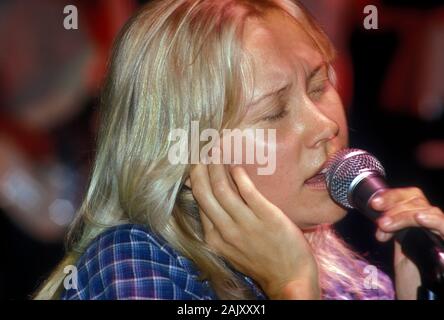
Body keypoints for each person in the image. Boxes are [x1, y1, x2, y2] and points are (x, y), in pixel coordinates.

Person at [35, 0, 444, 300]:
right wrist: (291, 288)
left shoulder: (358, 283)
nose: (327, 125)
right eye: (273, 112)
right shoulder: (133, 262)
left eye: (319, 86)